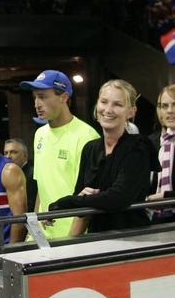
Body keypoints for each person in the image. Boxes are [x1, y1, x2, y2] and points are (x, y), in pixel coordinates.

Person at [50, 80, 159, 234]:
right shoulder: (90, 149)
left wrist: (68, 202)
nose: (108, 110)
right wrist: (80, 199)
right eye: (104, 102)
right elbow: (80, 198)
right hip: (96, 238)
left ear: (131, 112)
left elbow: (118, 198)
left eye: (117, 105)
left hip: (134, 239)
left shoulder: (139, 148)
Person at [20, 70, 99, 240]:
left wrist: (72, 239)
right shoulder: (39, 134)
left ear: (63, 97)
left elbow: (88, 197)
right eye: (35, 97)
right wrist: (33, 231)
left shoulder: (87, 136)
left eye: (42, 97)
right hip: (42, 237)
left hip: (72, 237)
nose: (36, 104)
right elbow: (42, 186)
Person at [148, 84, 175, 216]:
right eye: (164, 106)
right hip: (155, 220)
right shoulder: (150, 143)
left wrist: (167, 196)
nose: (170, 111)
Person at [4, 137, 37, 214]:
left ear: (25, 155)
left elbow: (31, 205)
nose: (8, 156)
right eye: (6, 153)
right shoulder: (4, 175)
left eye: (13, 152)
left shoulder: (33, 173)